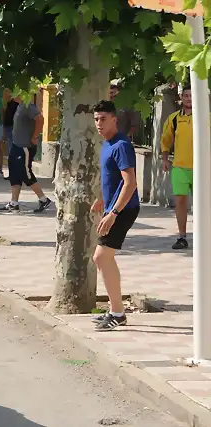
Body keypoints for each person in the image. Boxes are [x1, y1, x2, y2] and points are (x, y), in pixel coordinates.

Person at [90, 100, 140, 332]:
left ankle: (118, 313)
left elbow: (130, 183)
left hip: (124, 209)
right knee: (104, 258)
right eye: (96, 119)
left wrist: (113, 213)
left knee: (101, 257)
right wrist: (102, 198)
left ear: (114, 120)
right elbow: (112, 179)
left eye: (103, 119)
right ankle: (115, 310)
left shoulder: (121, 145)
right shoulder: (107, 144)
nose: (98, 124)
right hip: (114, 207)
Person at [159, 85, 197, 250]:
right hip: (180, 167)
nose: (189, 98)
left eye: (191, 95)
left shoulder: (205, 116)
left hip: (201, 168)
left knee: (204, 204)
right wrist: (165, 159)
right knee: (180, 201)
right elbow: (166, 140)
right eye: (186, 95)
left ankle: (205, 236)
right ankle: (182, 237)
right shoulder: (174, 118)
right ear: (181, 97)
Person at [0, 95, 52, 213]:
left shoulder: (28, 105)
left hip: (25, 147)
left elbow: (40, 119)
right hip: (16, 145)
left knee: (25, 172)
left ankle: (43, 199)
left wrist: (35, 137)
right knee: (14, 173)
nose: (10, 94)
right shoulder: (19, 106)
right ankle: (14, 203)